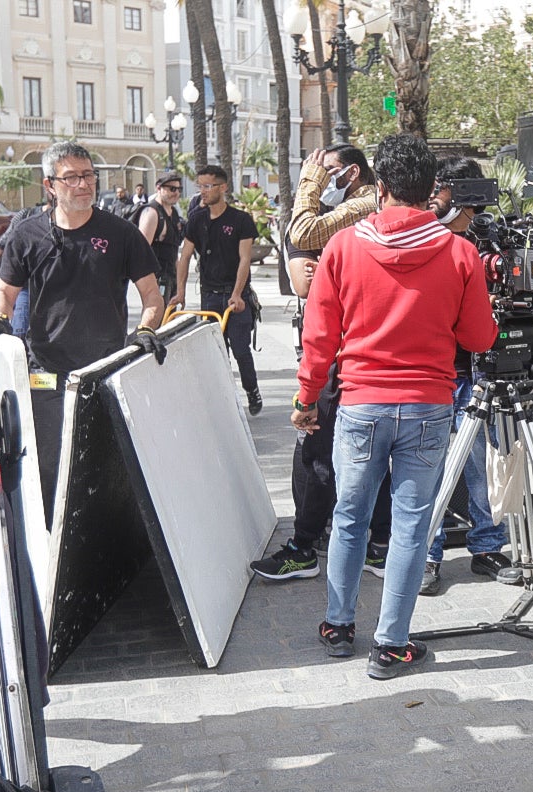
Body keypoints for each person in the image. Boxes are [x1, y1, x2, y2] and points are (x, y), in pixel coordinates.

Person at [295, 132, 496, 680]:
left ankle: (338, 626)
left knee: (349, 517)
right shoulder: (460, 252)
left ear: (380, 187)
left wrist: (307, 397)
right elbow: (479, 338)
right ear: (432, 190)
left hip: (361, 403)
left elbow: (320, 335)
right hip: (429, 405)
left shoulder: (342, 247)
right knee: (410, 526)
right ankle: (391, 644)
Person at [0, 140, 165, 523]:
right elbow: (5, 293)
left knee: (103, 469)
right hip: (45, 375)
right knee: (49, 468)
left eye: (89, 176)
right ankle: (51, 550)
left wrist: (146, 330)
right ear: (50, 186)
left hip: (102, 375)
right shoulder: (26, 235)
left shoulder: (120, 233)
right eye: (72, 178)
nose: (83, 185)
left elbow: (151, 296)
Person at [250, 143, 387, 584]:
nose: (318, 175)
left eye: (326, 170)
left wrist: (308, 184)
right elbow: (300, 261)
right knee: (336, 451)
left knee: (315, 448)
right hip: (346, 345)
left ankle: (306, 546)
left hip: (344, 348)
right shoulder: (356, 205)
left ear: (350, 173)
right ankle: (350, 541)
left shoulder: (365, 204)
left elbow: (304, 233)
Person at [419, 156, 518, 596]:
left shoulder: (483, 236)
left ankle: (487, 546)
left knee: (479, 462)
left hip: (474, 369)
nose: (473, 214)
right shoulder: (425, 236)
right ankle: (428, 554)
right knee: (432, 467)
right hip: (435, 370)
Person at [170, 165, 262, 415]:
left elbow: (245, 259)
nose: (203, 191)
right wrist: (180, 292)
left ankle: (252, 390)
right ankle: (223, 401)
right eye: (200, 186)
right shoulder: (196, 220)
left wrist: (237, 293)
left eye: (208, 186)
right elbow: (185, 256)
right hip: (210, 296)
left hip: (236, 297)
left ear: (223, 188)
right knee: (216, 352)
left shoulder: (240, 220)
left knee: (241, 349)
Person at [288, 145, 378, 254]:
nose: (323, 177)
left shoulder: (360, 207)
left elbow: (302, 234)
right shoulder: (359, 203)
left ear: (353, 172)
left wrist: (310, 181)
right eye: (320, 173)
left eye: (327, 171)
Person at [0, 203, 47, 336]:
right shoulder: (25, 216)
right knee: (19, 328)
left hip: (48, 287)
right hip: (24, 284)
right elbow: (2, 244)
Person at [135, 171, 185, 304]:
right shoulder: (152, 213)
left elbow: (174, 253)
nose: (176, 193)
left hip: (170, 278)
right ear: (159, 188)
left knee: (169, 321)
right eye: (172, 189)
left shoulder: (173, 212)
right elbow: (141, 252)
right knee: (156, 320)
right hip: (157, 280)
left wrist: (180, 288)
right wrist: (150, 287)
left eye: (179, 189)